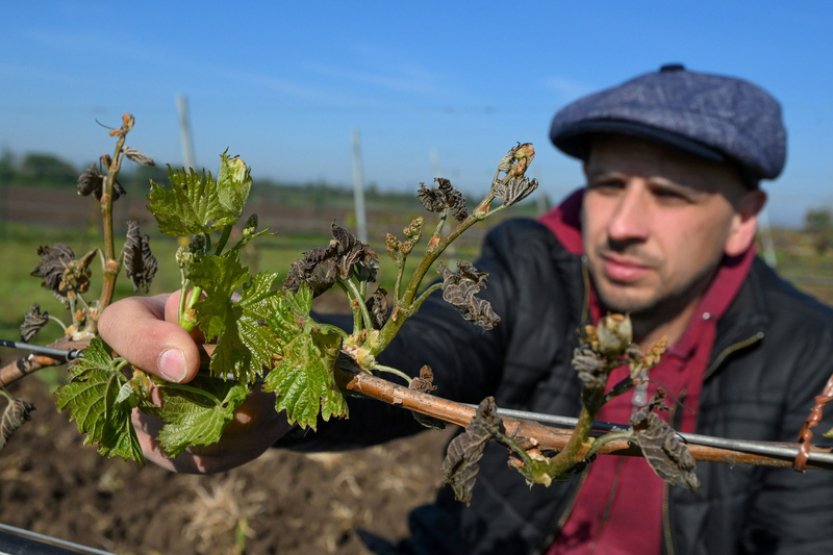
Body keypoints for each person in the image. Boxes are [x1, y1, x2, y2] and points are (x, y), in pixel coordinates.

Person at [99, 65, 833, 554]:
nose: (620, 223)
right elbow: (427, 350)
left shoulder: (810, 353)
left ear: (744, 217)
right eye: (607, 184)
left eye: (669, 195)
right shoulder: (529, 267)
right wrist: (267, 372)